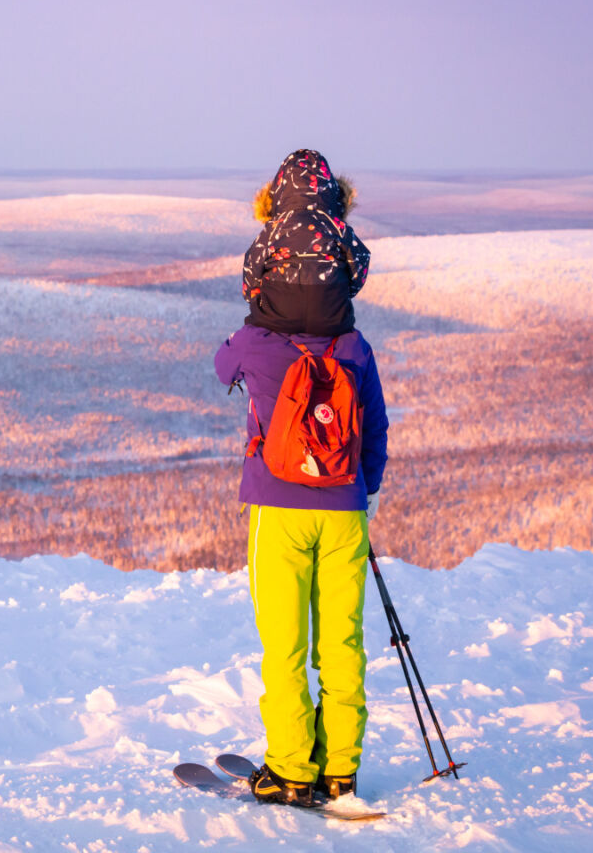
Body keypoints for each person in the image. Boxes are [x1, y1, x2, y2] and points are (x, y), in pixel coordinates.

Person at [214, 279, 389, 806]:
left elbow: (223, 368)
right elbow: (376, 428)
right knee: (342, 643)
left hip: (280, 509)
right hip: (344, 512)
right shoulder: (354, 347)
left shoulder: (255, 341)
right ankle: (339, 771)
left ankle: (290, 769)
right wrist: (368, 491)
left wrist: (253, 320)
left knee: (284, 644)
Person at [242, 149, 370, 337]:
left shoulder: (275, 229)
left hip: (275, 317)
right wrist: (341, 289)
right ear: (332, 191)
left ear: (278, 192)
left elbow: (251, 268)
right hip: (332, 317)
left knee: (240, 347)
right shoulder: (337, 228)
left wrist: (255, 297)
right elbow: (361, 261)